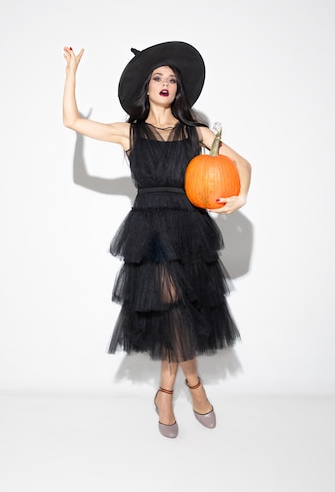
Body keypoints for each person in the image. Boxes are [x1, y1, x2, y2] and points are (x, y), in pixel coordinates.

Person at [63, 41, 251, 439]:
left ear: (178, 89)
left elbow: (242, 164)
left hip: (190, 228)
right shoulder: (129, 133)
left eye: (171, 79)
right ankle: (192, 389)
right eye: (157, 77)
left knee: (176, 312)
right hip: (149, 232)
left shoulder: (195, 131)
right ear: (146, 87)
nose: (165, 83)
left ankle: (166, 393)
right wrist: (71, 72)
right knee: (175, 308)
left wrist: (242, 195)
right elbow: (73, 121)